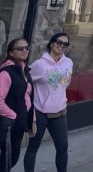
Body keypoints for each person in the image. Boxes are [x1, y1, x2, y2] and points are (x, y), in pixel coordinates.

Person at [25, 32, 73, 172]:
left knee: (63, 147)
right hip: (40, 113)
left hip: (59, 112)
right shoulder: (39, 64)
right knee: (33, 147)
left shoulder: (68, 63)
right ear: (52, 43)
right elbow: (25, 84)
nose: (61, 46)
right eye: (59, 42)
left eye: (65, 44)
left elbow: (64, 84)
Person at [0, 38, 34, 172]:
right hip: (9, 124)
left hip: (19, 122)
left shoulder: (24, 70)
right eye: (20, 49)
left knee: (10, 160)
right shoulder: (6, 72)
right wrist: (14, 116)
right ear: (11, 52)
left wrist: (32, 120)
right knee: (8, 160)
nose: (25, 50)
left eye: (26, 47)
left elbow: (28, 96)